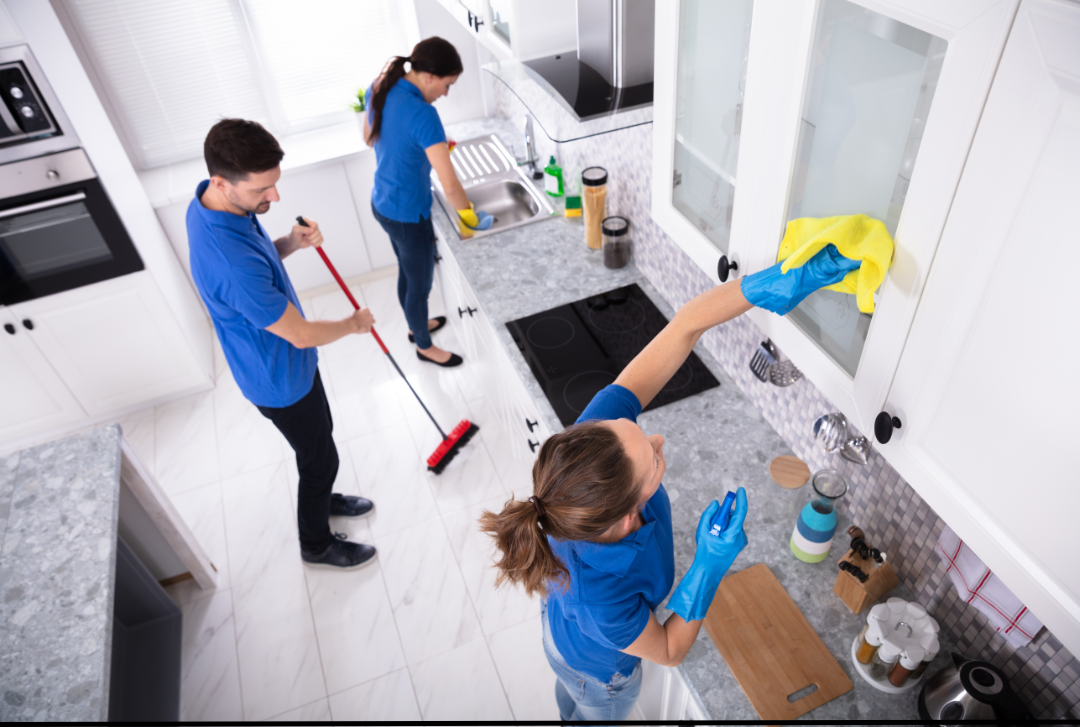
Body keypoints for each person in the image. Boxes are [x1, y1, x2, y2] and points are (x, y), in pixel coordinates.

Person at [480, 246, 861, 721]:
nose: (656, 437)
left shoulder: (592, 450)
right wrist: (710, 563)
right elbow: (666, 648)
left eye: (635, 429)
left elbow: (685, 326)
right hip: (598, 671)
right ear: (627, 512)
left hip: (563, 625)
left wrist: (764, 286)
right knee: (584, 704)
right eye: (653, 457)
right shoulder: (601, 595)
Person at [187, 118, 378, 570]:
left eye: (274, 185)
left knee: (320, 444)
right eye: (262, 191)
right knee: (319, 460)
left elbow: (259, 264)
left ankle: (325, 496)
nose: (274, 197)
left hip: (285, 365)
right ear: (222, 181)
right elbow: (301, 333)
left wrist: (290, 241)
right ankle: (316, 546)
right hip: (279, 379)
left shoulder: (213, 204)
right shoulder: (229, 261)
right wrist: (353, 323)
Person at [363, 36, 492, 368]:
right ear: (430, 76)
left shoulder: (381, 87)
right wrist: (470, 217)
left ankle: (413, 325)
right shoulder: (424, 114)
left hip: (382, 202)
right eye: (447, 85)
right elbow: (450, 185)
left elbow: (370, 137)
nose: (446, 93)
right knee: (419, 285)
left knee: (407, 273)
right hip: (408, 214)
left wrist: (423, 146)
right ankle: (424, 345)